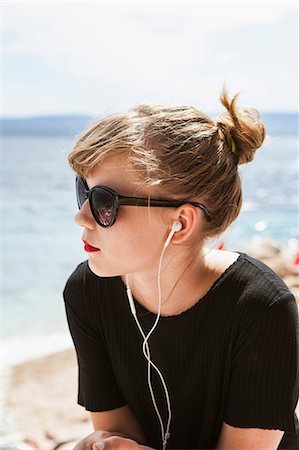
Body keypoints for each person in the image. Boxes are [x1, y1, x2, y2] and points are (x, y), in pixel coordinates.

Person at [63, 87, 299, 450]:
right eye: (84, 191)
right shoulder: (87, 291)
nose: (81, 217)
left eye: (104, 203)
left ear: (182, 224)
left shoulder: (261, 307)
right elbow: (116, 435)